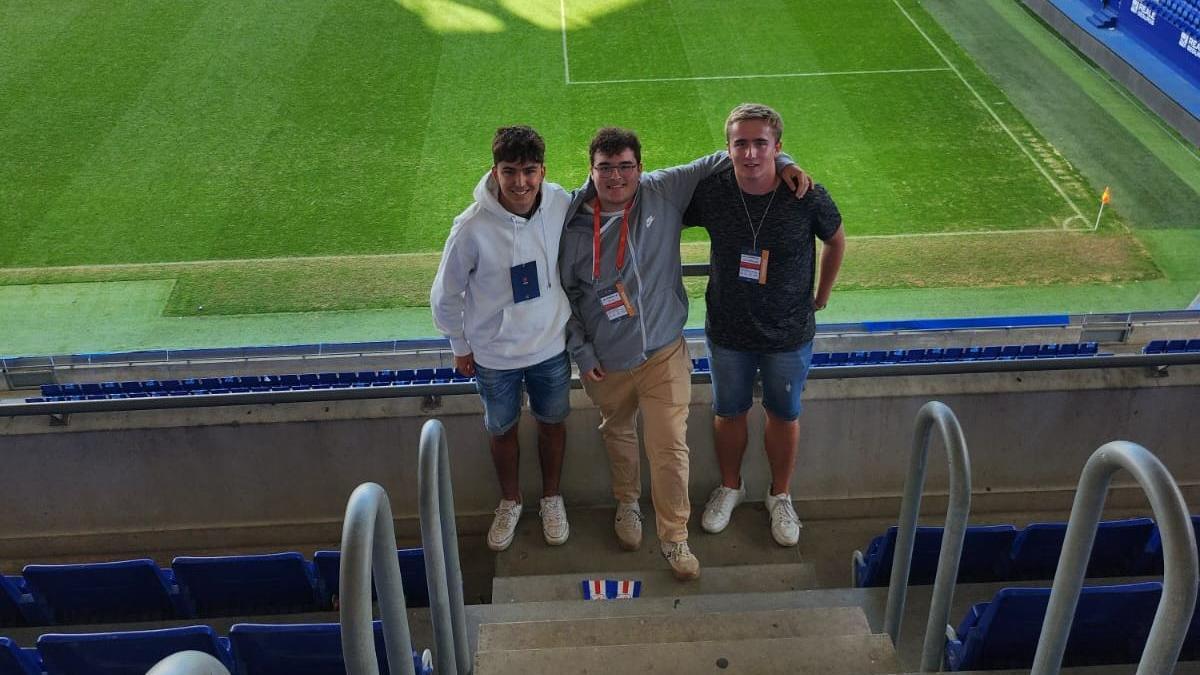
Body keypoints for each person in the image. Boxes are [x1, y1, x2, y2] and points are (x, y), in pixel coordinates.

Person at [558, 127, 809, 579]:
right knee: (617, 432)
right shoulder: (571, 224)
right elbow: (566, 296)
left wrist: (785, 162)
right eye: (605, 168)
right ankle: (628, 503)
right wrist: (581, 350)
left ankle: (675, 539)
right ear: (590, 169)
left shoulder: (663, 190)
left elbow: (731, 154)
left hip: (663, 352)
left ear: (641, 167)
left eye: (626, 167)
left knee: (670, 446)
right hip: (605, 359)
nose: (616, 177)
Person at [685, 103, 846, 547]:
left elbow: (836, 240)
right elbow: (661, 211)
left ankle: (780, 496)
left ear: (778, 147)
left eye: (761, 143)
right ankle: (730, 488)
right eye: (741, 143)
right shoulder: (714, 192)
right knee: (728, 412)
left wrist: (822, 296)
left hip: (788, 333)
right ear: (728, 148)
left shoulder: (805, 194)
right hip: (729, 331)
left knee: (783, 415)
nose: (751, 153)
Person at [430, 126, 573, 552]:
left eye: (530, 171)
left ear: (543, 170)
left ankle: (551, 498)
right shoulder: (471, 227)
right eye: (510, 171)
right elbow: (444, 295)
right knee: (502, 430)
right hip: (494, 356)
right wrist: (460, 346)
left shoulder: (561, 202)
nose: (521, 182)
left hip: (550, 346)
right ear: (495, 171)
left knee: (553, 424)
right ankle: (510, 501)